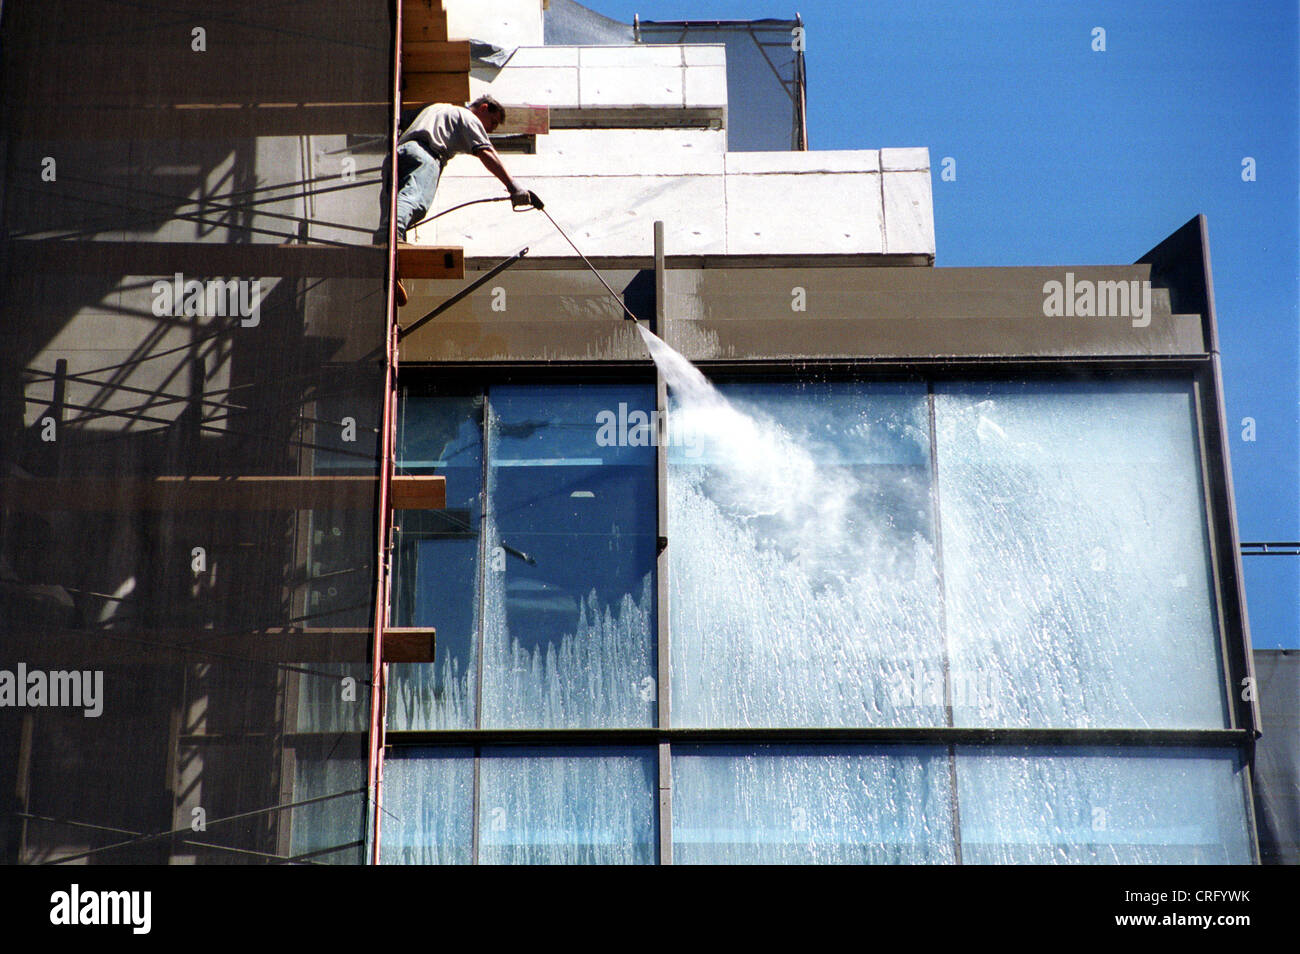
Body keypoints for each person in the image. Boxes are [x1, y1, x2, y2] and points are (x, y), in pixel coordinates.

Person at [375, 94, 528, 246]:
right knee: (415, 200)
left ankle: (384, 241)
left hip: (399, 153)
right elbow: (486, 152)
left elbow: (400, 120)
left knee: (393, 203)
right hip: (425, 155)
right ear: (484, 107)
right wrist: (513, 186)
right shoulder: (468, 117)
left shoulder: (436, 108)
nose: (489, 131)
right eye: (492, 122)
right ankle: (391, 236)